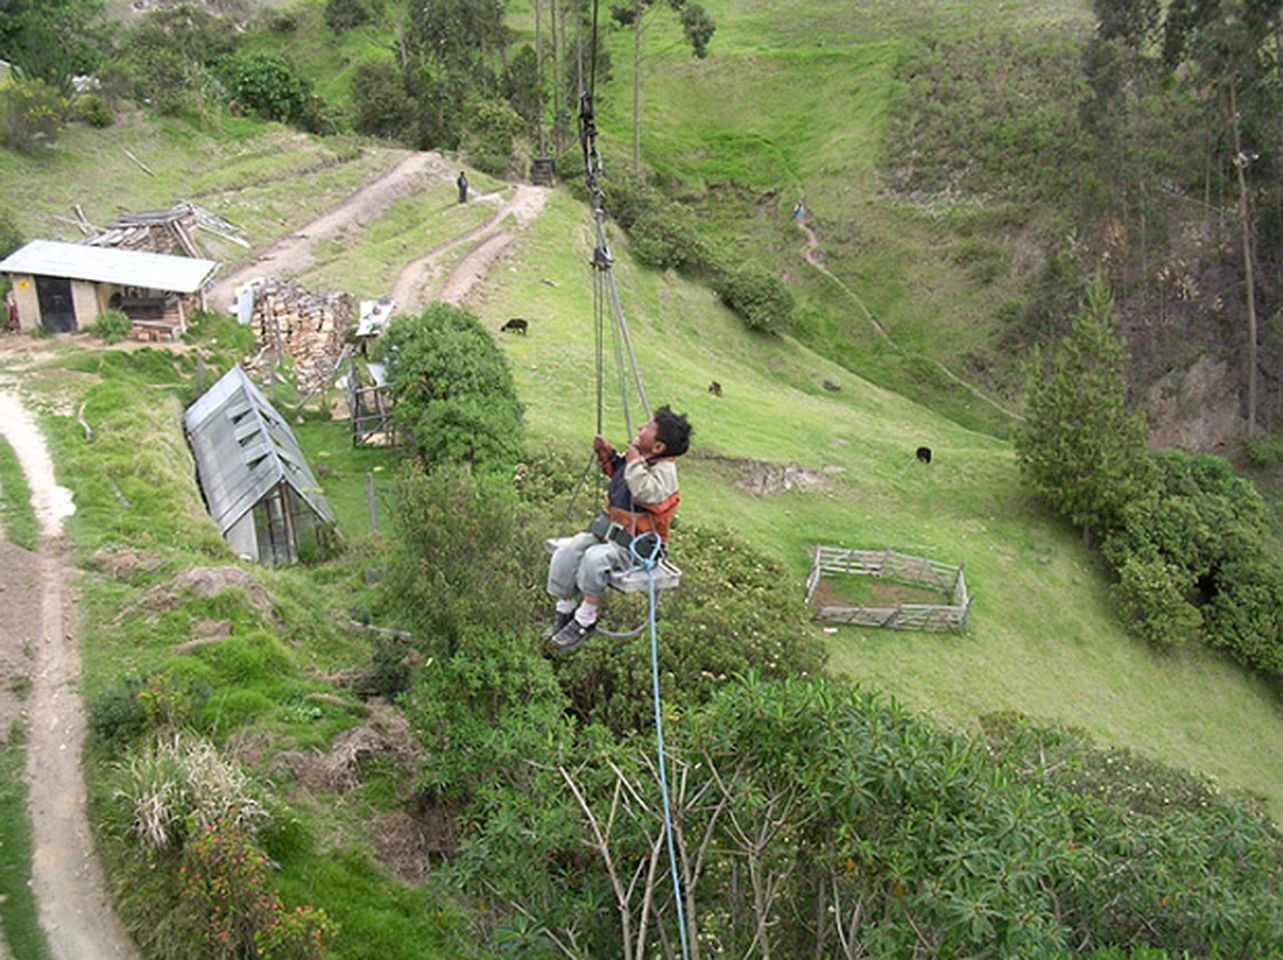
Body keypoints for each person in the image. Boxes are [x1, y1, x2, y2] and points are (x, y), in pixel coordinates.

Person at [546, 406, 692, 651]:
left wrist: (634, 459)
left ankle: (586, 618)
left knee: (595, 558)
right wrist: (607, 453)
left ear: (658, 447)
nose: (640, 428)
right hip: (612, 536)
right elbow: (620, 474)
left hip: (636, 548)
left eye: (647, 427)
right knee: (569, 550)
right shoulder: (640, 461)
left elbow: (643, 491)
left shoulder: (664, 474)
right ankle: (565, 607)